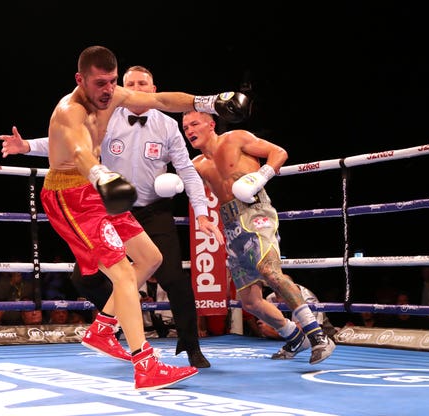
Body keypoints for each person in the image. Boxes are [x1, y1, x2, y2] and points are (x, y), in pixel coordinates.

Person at [26, 45, 248, 390]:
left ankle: (102, 329)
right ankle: (145, 366)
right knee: (125, 274)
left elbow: (162, 102)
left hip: (97, 191)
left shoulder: (113, 96)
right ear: (80, 79)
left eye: (112, 82)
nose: (107, 90)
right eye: (100, 83)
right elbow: (81, 150)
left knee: (151, 258)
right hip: (71, 194)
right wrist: (102, 176)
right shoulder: (70, 111)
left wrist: (207, 101)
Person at [181, 110, 335, 364]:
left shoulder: (236, 138)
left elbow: (279, 153)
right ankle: (294, 336)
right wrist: (202, 217)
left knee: (271, 272)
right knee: (250, 301)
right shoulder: (197, 165)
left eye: (194, 124)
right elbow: (194, 193)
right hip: (229, 223)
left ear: (211, 124)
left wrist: (260, 176)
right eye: (185, 127)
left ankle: (317, 335)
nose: (189, 130)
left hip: (256, 211)